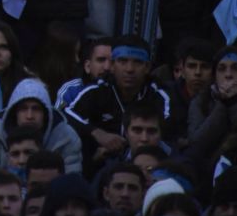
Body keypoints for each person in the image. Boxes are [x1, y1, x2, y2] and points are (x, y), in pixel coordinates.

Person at [64, 35, 172, 175]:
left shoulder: (159, 94)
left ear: (147, 67)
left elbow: (165, 129)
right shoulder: (98, 90)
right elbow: (67, 114)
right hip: (101, 165)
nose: (129, 69)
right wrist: (97, 133)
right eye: (123, 61)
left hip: (148, 163)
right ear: (113, 66)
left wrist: (123, 148)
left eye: (137, 62)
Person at [0, 78, 83, 175]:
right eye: (23, 109)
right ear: (14, 112)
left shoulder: (66, 138)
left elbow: (71, 185)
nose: (29, 116)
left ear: (46, 114)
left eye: (36, 109)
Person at [54, 38, 112, 110]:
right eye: (101, 60)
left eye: (112, 61)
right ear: (87, 66)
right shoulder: (71, 90)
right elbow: (60, 119)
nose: (107, 67)